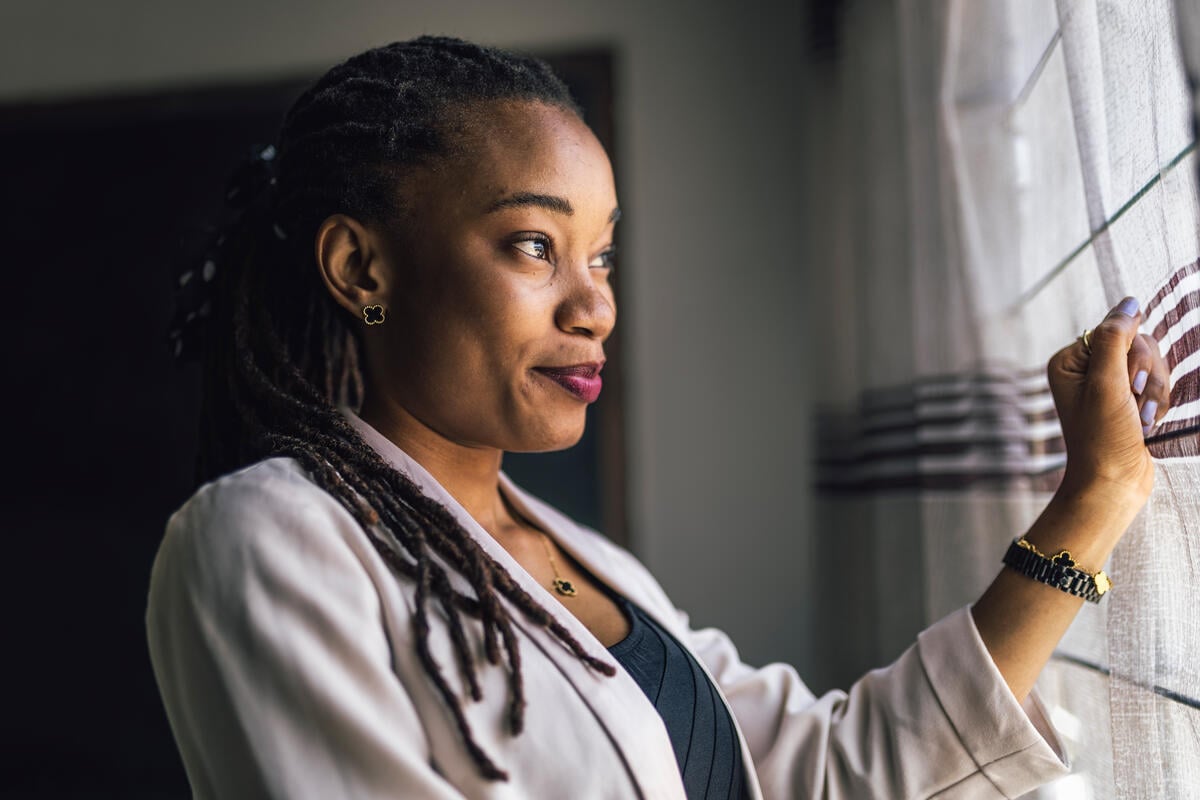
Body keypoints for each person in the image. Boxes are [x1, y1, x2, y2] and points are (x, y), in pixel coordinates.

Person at [145, 36, 1172, 799]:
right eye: (534, 246)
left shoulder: (584, 561)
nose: (594, 305)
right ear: (361, 266)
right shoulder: (264, 537)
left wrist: (1093, 497)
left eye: (601, 255)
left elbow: (830, 770)